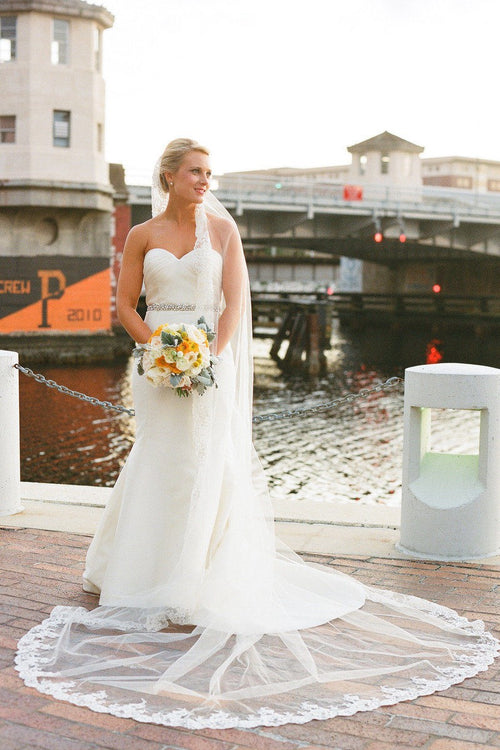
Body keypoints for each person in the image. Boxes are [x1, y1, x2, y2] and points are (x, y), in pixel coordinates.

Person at [16, 139, 498, 729]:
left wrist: (206, 358)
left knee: (202, 464)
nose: (204, 180)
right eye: (194, 171)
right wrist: (159, 349)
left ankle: (192, 572)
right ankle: (134, 564)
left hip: (205, 365)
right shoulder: (142, 234)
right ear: (168, 176)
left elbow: (233, 307)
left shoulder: (223, 233)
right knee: (158, 459)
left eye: (208, 172)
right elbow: (125, 306)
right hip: (157, 366)